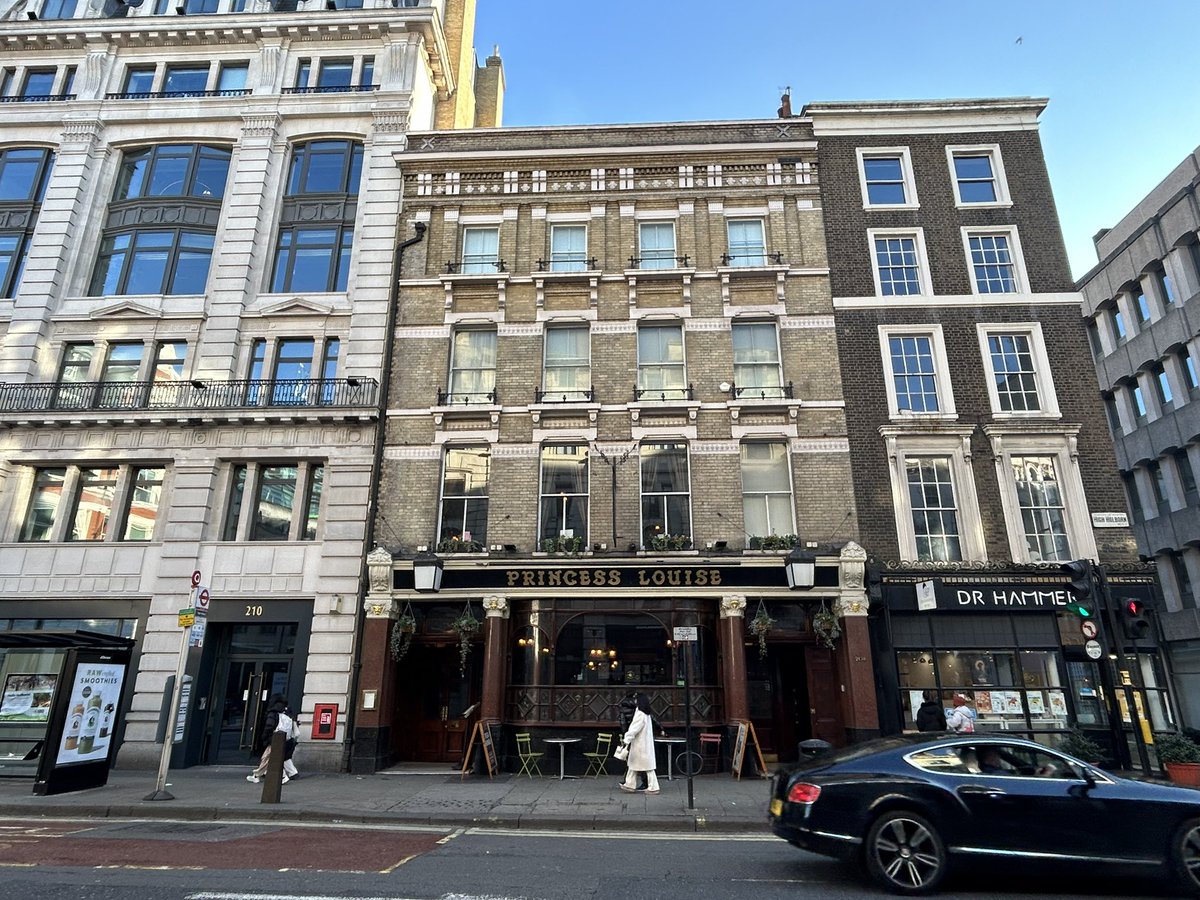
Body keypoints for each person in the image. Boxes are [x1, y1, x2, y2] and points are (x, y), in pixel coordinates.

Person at [618, 692, 660, 794]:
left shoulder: (640, 713)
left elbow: (634, 728)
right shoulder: (646, 713)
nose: (635, 701)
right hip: (644, 744)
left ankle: (653, 787)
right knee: (634, 764)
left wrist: (626, 739)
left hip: (640, 744)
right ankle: (630, 784)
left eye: (636, 699)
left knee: (645, 767)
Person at [247, 694, 291, 784]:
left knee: (269, 758)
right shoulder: (283, 712)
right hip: (281, 738)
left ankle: (283, 776)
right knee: (267, 758)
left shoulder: (272, 713)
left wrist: (264, 736)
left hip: (273, 739)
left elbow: (269, 725)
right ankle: (257, 775)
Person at [282, 700, 300, 780]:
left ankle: (287, 774)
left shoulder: (283, 718)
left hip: (283, 740)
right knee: (285, 758)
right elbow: (297, 733)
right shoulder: (292, 719)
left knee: (282, 757)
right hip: (290, 740)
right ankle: (293, 773)